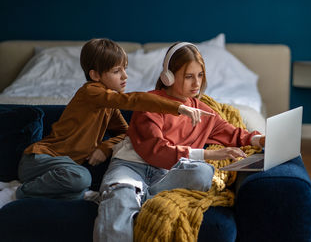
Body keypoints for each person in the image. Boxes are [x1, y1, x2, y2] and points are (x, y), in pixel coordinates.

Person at [93, 42, 265, 242]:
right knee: (120, 201)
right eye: (189, 76)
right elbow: (156, 150)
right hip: (132, 167)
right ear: (169, 77)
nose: (196, 84)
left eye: (200, 75)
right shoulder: (150, 103)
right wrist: (208, 154)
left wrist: (260, 140)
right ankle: (123, 195)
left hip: (165, 175)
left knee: (203, 172)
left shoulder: (205, 113)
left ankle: (140, 196)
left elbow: (235, 135)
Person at [16, 38, 213, 201]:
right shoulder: (91, 92)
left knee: (79, 190)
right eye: (117, 71)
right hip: (39, 160)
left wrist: (105, 147)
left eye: (124, 69)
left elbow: (128, 133)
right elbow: (132, 99)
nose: (125, 76)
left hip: (63, 168)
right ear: (95, 75)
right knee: (81, 178)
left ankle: (54, 192)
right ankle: (18, 192)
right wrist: (177, 107)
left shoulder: (109, 106)